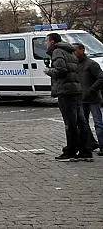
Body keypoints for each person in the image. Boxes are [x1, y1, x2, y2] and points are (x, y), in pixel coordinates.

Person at [43, 32, 92, 161]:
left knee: (70, 123)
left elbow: (61, 70)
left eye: (47, 41)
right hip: (76, 89)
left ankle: (70, 151)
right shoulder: (70, 51)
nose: (46, 44)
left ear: (52, 41)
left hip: (66, 91)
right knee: (81, 122)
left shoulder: (57, 51)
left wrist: (49, 71)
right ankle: (86, 150)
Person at [73, 42, 103, 156]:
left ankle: (102, 146)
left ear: (82, 50)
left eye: (75, 50)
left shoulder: (91, 64)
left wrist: (91, 90)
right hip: (81, 98)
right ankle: (91, 143)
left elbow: (101, 78)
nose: (74, 53)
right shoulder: (75, 64)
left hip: (93, 98)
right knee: (83, 123)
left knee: (98, 123)